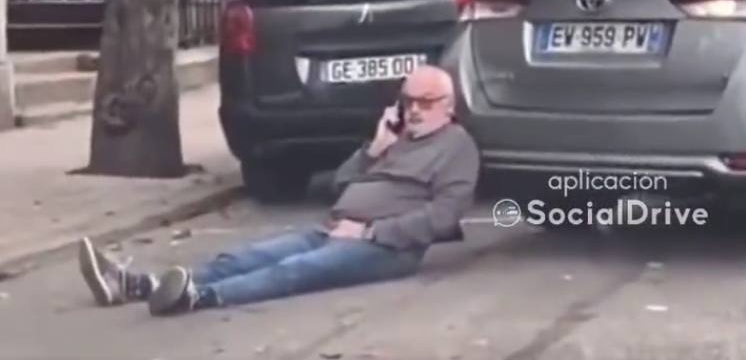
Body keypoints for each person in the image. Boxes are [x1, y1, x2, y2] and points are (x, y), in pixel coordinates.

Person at [77, 65, 480, 316]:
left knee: (294, 270)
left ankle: (199, 298)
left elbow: (443, 218)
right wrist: (373, 149)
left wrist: (370, 232)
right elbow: (341, 182)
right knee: (247, 255)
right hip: (335, 227)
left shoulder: (457, 148)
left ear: (449, 104)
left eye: (425, 102)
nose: (413, 110)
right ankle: (136, 285)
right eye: (408, 100)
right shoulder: (394, 139)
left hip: (389, 249)